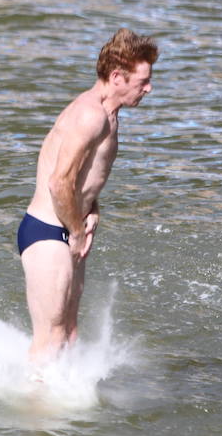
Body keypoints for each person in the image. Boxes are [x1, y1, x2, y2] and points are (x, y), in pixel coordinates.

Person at [19, 28, 159, 364]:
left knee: (68, 334)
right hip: (49, 232)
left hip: (69, 226)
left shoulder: (109, 115)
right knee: (50, 338)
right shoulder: (90, 116)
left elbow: (83, 176)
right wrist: (77, 232)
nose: (149, 88)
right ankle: (34, 412)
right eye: (143, 81)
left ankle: (65, 409)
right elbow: (59, 182)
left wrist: (92, 207)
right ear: (116, 77)